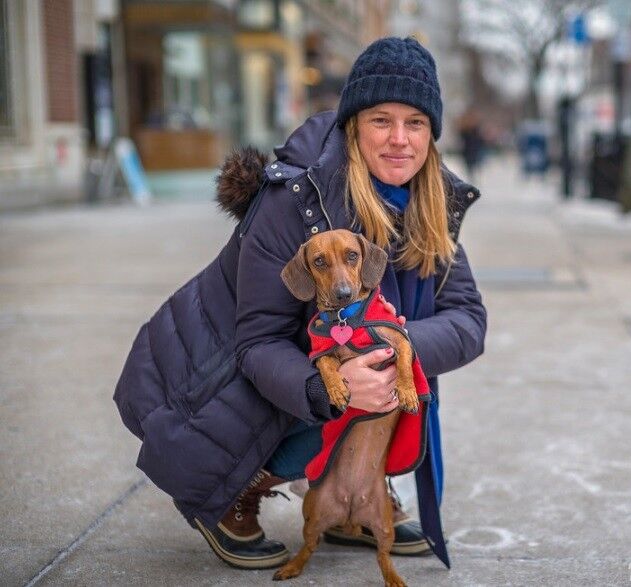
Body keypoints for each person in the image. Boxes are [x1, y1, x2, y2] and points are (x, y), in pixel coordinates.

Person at [113, 36, 486, 571]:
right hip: (211, 382)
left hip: (336, 353)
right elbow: (257, 343)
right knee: (338, 367)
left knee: (387, 358)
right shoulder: (297, 200)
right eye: (382, 119)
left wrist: (391, 344)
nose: (400, 139)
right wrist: (329, 384)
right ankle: (243, 485)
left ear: (432, 133)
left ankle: (352, 490)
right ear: (354, 125)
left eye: (416, 123)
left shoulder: (430, 203)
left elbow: (468, 319)